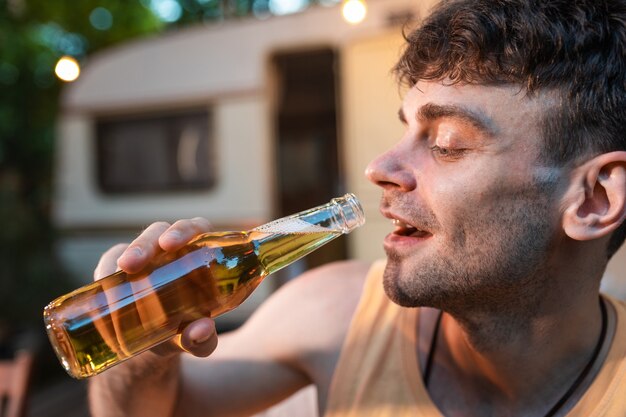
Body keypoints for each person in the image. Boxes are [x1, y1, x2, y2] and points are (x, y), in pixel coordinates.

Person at [88, 0, 626, 416]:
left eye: (447, 142)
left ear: (594, 199)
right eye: (405, 129)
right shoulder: (339, 317)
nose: (378, 167)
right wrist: (142, 355)